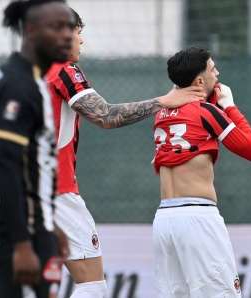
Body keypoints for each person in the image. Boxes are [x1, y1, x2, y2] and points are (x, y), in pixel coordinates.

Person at [46, 10, 206, 298]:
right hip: (55, 192)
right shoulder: (64, 69)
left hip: (17, 192)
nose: (81, 41)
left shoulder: (25, 74)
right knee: (91, 286)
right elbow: (106, 116)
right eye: (77, 33)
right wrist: (164, 101)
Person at [0, 0, 74, 297]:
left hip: (23, 221)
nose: (66, 34)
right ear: (31, 31)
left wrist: (47, 222)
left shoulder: (28, 78)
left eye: (69, 27)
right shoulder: (19, 85)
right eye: (57, 27)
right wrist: (22, 244)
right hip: (11, 228)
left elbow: (29, 165)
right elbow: (6, 165)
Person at [151, 46, 251, 297]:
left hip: (164, 220)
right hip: (197, 218)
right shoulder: (208, 112)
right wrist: (229, 105)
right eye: (213, 69)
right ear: (200, 80)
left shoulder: (161, 114)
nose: (218, 73)